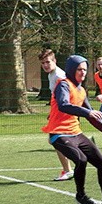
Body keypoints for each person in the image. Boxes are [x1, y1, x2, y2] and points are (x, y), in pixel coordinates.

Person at [42, 55, 102, 204]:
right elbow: (64, 105)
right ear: (71, 70)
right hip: (59, 133)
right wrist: (87, 112)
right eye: (79, 69)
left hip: (75, 133)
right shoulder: (63, 85)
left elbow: (91, 115)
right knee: (81, 160)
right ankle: (81, 196)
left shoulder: (81, 90)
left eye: (85, 70)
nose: (82, 72)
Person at [38, 49, 75, 182]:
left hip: (63, 112)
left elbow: (67, 95)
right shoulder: (51, 75)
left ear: (54, 61)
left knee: (56, 140)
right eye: (43, 63)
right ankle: (80, 153)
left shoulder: (59, 75)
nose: (45, 65)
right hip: (58, 111)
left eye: (48, 62)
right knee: (56, 140)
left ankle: (68, 170)